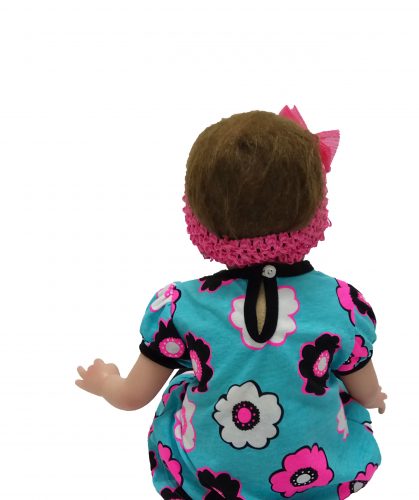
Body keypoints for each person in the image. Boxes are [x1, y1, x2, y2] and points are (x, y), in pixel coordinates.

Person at [76, 106, 387, 499]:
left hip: (213, 479)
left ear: (198, 219)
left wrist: (106, 383)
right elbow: (365, 391)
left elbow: (133, 396)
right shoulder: (341, 303)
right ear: (316, 210)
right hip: (313, 473)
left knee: (181, 389)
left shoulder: (179, 307)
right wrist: (374, 397)